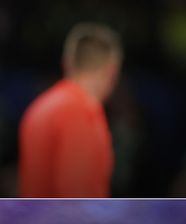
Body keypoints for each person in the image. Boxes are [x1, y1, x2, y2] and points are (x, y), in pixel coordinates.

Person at [18, 22, 122, 197]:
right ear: (112, 71)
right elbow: (76, 201)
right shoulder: (82, 112)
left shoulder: (38, 107)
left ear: (67, 63)